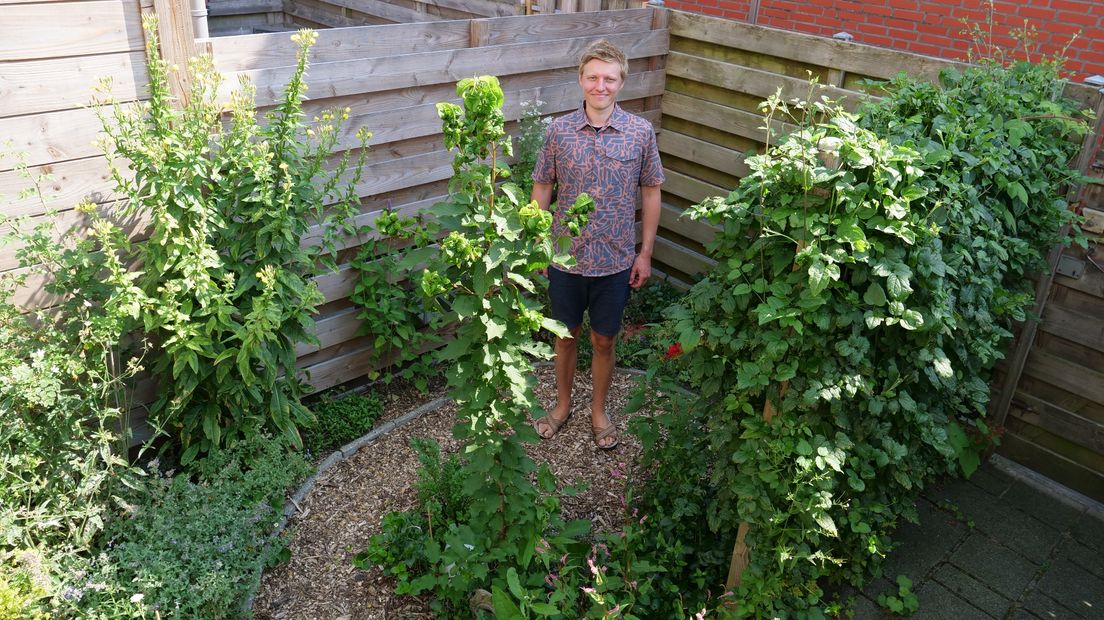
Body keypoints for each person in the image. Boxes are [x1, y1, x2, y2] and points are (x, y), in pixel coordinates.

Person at [530, 39, 664, 450]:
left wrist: (644, 253)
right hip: (565, 260)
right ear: (581, 80)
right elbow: (542, 188)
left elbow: (651, 192)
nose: (600, 85)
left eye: (609, 78)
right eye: (593, 77)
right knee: (565, 335)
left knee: (605, 339)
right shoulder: (558, 131)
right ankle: (563, 404)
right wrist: (537, 246)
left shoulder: (640, 133)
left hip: (615, 261)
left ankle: (599, 410)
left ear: (621, 82)